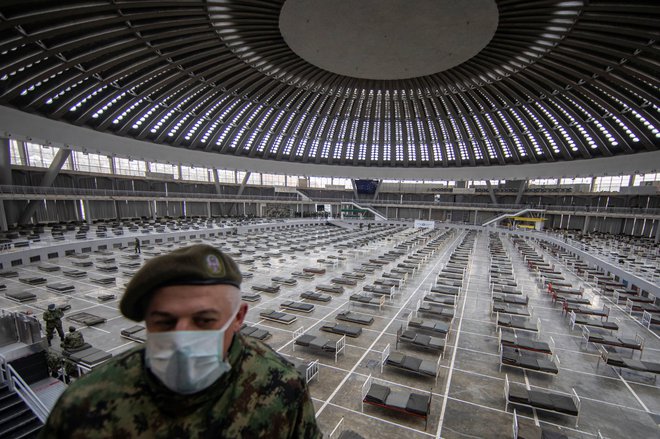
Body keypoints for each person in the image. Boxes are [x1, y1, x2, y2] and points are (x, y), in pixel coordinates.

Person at [40, 244, 322, 438]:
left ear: (238, 317)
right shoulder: (85, 404)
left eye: (204, 320)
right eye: (164, 322)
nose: (182, 338)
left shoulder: (281, 387)